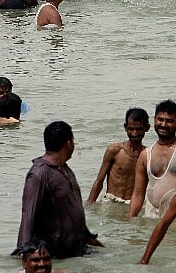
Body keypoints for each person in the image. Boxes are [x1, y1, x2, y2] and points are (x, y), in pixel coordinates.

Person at [16, 121, 102, 258]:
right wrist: (24, 252)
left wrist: (87, 236)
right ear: (68, 144)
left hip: (76, 250)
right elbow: (28, 216)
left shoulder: (65, 169)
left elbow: (71, 207)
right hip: (55, 255)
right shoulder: (39, 174)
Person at [129, 101, 176, 217]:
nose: (163, 124)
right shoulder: (145, 155)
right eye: (160, 119)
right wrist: (130, 224)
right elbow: (138, 194)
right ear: (154, 120)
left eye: (169, 121)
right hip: (153, 217)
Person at [87, 108, 150, 205]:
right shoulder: (114, 151)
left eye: (139, 129)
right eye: (131, 129)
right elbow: (99, 180)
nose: (134, 133)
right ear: (125, 127)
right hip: (111, 202)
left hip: (132, 204)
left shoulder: (148, 155)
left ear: (147, 128)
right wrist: (89, 204)